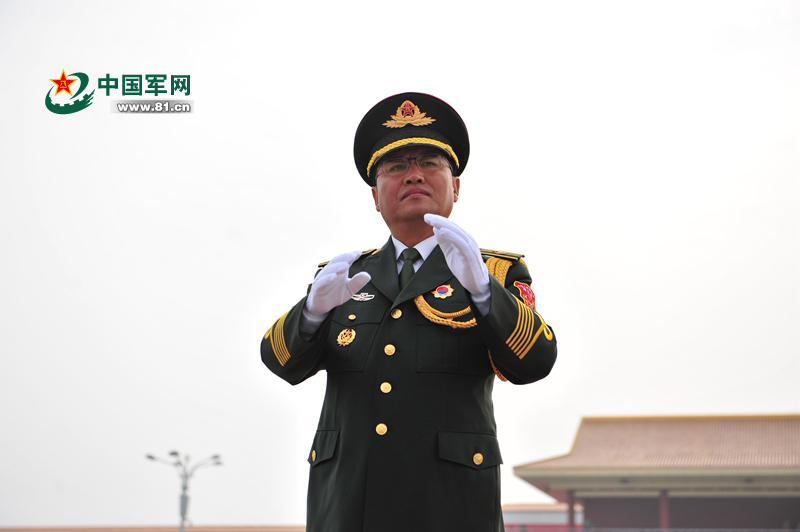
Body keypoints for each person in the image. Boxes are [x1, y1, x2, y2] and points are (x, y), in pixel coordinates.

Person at [261, 92, 557, 532]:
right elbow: (280, 361)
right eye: (397, 167)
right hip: (348, 504)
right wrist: (311, 314)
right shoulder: (342, 276)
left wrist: (483, 293)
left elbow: (534, 363)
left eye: (429, 163)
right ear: (376, 197)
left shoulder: (495, 271)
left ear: (455, 186)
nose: (413, 175)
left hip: (450, 506)